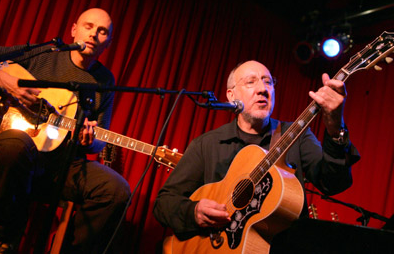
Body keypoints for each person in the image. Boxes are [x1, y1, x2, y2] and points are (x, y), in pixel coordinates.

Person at [153, 60, 360, 250]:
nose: (263, 89)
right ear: (231, 95)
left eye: (268, 82)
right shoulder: (208, 144)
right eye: (251, 82)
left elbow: (335, 183)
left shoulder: (297, 136)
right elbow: (164, 203)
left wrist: (335, 128)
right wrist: (194, 212)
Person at [0, 8, 130, 253]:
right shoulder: (44, 54)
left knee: (116, 190)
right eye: (88, 27)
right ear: (73, 29)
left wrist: (89, 141)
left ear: (108, 42)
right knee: (15, 144)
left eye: (102, 32)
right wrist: (6, 82)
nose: (93, 35)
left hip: (62, 163)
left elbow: (101, 137)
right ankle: (1, 235)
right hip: (19, 149)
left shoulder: (104, 81)